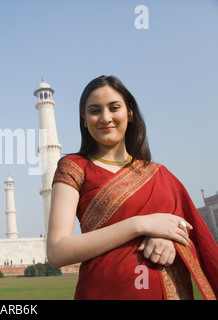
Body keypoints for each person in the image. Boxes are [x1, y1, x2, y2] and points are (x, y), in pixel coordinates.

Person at [46, 75, 218, 300]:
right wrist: (141, 224)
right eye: (95, 110)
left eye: (114, 107)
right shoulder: (75, 167)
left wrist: (170, 239)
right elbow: (57, 251)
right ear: (84, 118)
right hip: (103, 291)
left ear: (129, 112)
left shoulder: (160, 175)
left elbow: (195, 234)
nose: (105, 117)